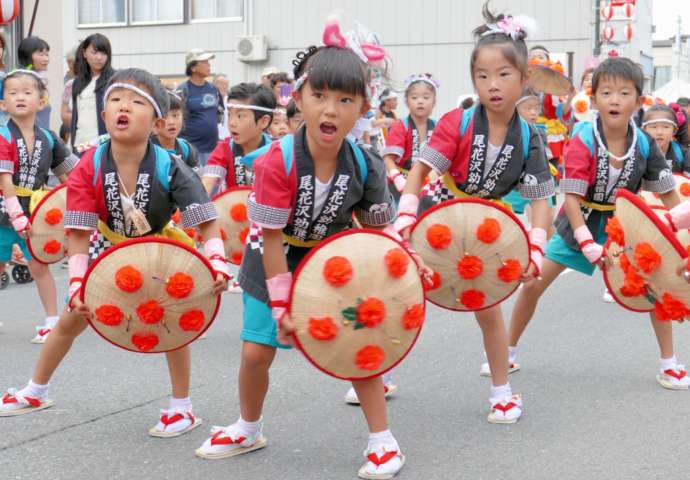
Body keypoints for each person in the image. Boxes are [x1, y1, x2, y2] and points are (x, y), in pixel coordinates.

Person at [195, 21, 410, 480]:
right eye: (320, 96)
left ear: (363, 108)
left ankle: (382, 440)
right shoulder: (278, 159)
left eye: (345, 100)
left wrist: (406, 267)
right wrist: (280, 304)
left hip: (333, 262)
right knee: (256, 353)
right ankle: (248, 427)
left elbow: (378, 231)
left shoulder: (366, 164)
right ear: (300, 99)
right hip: (270, 256)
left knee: (358, 347)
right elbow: (271, 238)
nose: (331, 110)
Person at [0, 69, 230, 437]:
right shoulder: (89, 164)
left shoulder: (171, 165)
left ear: (156, 121)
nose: (124, 107)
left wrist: (217, 261)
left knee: (172, 324)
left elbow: (204, 218)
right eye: (116, 100)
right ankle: (35, 390)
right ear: (105, 116)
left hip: (158, 247)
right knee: (72, 318)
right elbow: (78, 231)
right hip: (104, 244)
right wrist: (76, 284)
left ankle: (182, 408)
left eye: (137, 102)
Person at [393, 3, 555, 424]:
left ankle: (501, 393)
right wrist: (406, 217)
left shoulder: (531, 139)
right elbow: (422, 169)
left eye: (503, 75)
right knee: (397, 292)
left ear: (525, 79)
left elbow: (541, 201)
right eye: (482, 76)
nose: (492, 85)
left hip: (486, 224)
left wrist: (535, 251)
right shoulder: (458, 121)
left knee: (488, 308)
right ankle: (369, 373)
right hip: (438, 210)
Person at [506, 57, 689, 390]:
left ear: (638, 100)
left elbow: (668, 195)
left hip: (627, 224)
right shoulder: (584, 137)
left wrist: (683, 241)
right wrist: (586, 241)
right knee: (533, 284)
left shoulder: (645, 143)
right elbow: (572, 199)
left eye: (624, 92)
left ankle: (669, 362)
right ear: (594, 100)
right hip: (582, 219)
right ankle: (506, 350)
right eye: (606, 92)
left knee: (655, 286)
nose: (615, 100)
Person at [0, 69, 77, 343]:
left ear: (41, 101)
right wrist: (17, 216)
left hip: (36, 210)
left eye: (27, 92)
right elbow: (5, 180)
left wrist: (77, 205)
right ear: (2, 103)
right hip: (3, 210)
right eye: (12, 93)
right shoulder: (3, 135)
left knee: (39, 265)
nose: (20, 97)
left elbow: (72, 176)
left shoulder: (49, 137)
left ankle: (52, 321)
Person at [381, 73, 438, 200]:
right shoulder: (401, 125)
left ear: (434, 102)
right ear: (407, 101)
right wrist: (397, 177)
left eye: (426, 97)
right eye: (414, 97)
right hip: (400, 182)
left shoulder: (437, 126)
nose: (420, 101)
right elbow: (388, 159)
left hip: (429, 183)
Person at [63, 34, 114, 152]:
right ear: (84, 53)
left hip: (105, 145)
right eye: (95, 52)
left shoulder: (114, 80)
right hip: (81, 145)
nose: (99, 57)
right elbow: (76, 117)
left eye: (104, 53)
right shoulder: (77, 83)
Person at [178, 49, 224, 166]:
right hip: (192, 149)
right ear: (193, 67)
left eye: (208, 62)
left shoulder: (213, 89)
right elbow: (176, 117)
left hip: (212, 148)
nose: (208, 65)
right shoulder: (182, 90)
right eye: (204, 62)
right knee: (195, 183)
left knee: (212, 182)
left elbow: (219, 113)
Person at [152, 89, 200, 174]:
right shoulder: (146, 150)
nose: (171, 122)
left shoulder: (187, 149)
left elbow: (196, 180)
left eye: (175, 115)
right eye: (164, 116)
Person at [641, 104, 690, 175]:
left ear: (674, 130)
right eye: (653, 127)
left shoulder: (683, 154)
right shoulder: (637, 154)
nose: (659, 132)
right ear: (644, 130)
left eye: (666, 127)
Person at [17, 36, 51, 129]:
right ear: (27, 55)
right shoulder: (21, 78)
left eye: (47, 55)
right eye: (41, 54)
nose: (46, 59)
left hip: (40, 137)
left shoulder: (37, 78)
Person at [213, 74, 230, 140]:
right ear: (214, 85)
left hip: (228, 138)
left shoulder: (230, 101)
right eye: (221, 84)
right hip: (214, 138)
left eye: (226, 84)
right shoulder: (210, 101)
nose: (224, 86)